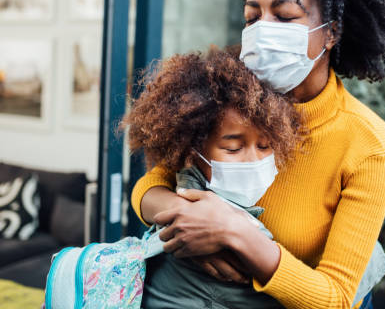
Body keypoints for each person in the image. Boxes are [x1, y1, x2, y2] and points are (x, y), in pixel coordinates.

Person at [131, 0, 385, 308]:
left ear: (331, 32)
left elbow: (335, 298)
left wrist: (233, 232)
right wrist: (186, 216)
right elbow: (150, 186)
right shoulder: (228, 99)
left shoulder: (368, 146)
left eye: (285, 16)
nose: (263, 31)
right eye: (252, 17)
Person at [122, 47, 301, 308]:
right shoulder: (207, 227)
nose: (253, 160)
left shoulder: (183, 189)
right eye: (233, 148)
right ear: (193, 151)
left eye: (265, 147)